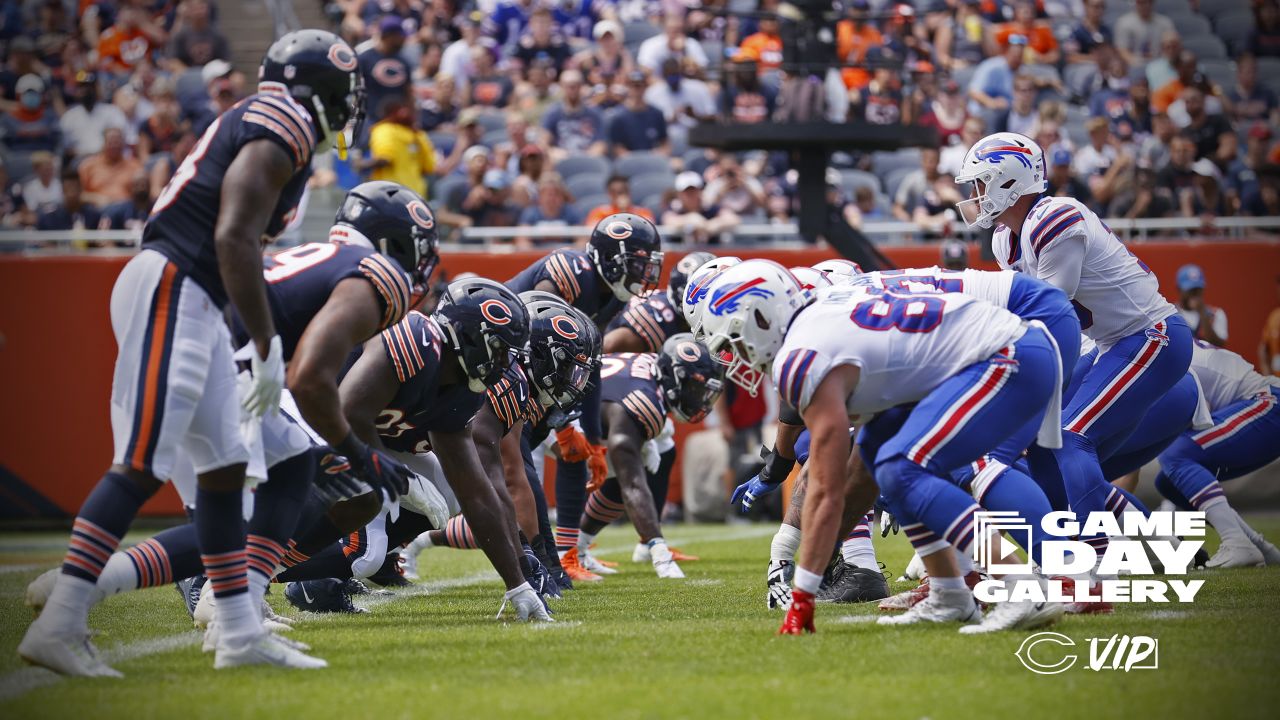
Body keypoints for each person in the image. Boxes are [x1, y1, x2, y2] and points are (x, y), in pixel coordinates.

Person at [18, 29, 361, 676]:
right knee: (142, 462)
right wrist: (264, 346)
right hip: (177, 284)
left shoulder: (271, 122)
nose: (349, 106)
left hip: (194, 295)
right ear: (319, 89)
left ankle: (236, 632)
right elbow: (233, 235)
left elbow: (237, 240)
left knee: (227, 468)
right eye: (344, 92)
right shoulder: (283, 120)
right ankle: (61, 620)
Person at [24, 180, 441, 644]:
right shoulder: (374, 276)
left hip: (193, 340)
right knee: (223, 521)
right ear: (393, 241)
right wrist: (358, 453)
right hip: (210, 354)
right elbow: (308, 379)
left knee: (280, 477)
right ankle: (89, 590)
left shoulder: (324, 258)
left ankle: (232, 606)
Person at [700, 260, 1065, 634]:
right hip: (1008, 349)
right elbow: (858, 473)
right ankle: (949, 593)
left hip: (1006, 355)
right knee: (883, 461)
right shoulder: (820, 314)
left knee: (903, 468)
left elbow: (826, 490)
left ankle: (1020, 586)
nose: (738, 358)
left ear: (760, 318)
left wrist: (803, 596)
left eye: (734, 342)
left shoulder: (802, 355)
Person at [955, 131, 1192, 566]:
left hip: (1150, 335)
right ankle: (1064, 554)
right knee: (1046, 443)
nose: (975, 195)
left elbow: (1047, 313)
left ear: (1009, 180)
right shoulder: (1006, 240)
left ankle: (1095, 562)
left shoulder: (1054, 217)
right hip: (1111, 344)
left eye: (982, 182)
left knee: (1071, 438)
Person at [335, 278, 550, 620]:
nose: (503, 363)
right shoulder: (414, 342)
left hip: (377, 442)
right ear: (467, 337)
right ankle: (265, 572)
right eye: (498, 349)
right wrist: (396, 479)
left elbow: (477, 494)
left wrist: (518, 583)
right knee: (365, 556)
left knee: (450, 490)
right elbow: (346, 413)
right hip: (320, 424)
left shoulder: (464, 389)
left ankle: (320, 574)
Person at [507, 214, 665, 579]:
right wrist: (563, 421)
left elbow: (591, 361)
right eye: (639, 264)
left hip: (534, 381)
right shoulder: (571, 272)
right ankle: (540, 564)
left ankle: (564, 556)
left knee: (575, 452)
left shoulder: (611, 296)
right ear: (612, 258)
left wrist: (593, 438)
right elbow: (534, 341)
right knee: (515, 472)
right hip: (505, 372)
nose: (645, 274)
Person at [574, 335, 724, 578]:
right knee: (625, 475)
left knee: (626, 471)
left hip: (585, 413)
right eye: (695, 389)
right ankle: (553, 557)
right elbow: (632, 484)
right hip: (552, 418)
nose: (698, 399)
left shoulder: (651, 367)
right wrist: (660, 552)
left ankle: (576, 549)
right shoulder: (643, 404)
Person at [1155, 341, 1280, 566]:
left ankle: (1236, 541)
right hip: (1259, 408)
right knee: (1168, 482)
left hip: (1269, 402)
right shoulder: (1162, 349)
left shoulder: (1164, 360)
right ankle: (1259, 547)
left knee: (1174, 455)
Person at [366, 98, 436, 198]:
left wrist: (362, 164)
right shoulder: (418, 135)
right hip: (416, 194)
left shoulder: (383, 130)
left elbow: (385, 159)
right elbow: (429, 166)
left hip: (390, 193)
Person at [58, 71, 128, 160]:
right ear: (76, 91)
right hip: (79, 160)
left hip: (107, 158)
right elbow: (66, 149)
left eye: (89, 87)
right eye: (81, 87)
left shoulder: (112, 111)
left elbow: (119, 140)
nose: (85, 91)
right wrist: (86, 155)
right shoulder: (69, 117)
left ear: (96, 89)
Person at [541, 69, 607, 158]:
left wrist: (590, 156)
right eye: (568, 86)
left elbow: (601, 142)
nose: (572, 89)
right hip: (561, 159)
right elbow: (543, 142)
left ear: (581, 86)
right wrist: (553, 152)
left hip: (588, 159)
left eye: (575, 86)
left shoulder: (594, 112)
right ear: (561, 86)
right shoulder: (553, 112)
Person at [359, 16, 412, 124]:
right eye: (400, 36)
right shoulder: (365, 59)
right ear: (389, 36)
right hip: (371, 122)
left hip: (397, 122)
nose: (404, 40)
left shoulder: (403, 61)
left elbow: (408, 93)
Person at [662, 171, 740, 243]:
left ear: (700, 191)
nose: (691, 195)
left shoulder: (710, 207)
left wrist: (714, 224)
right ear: (679, 194)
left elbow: (733, 219)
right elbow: (668, 220)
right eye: (686, 192)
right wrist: (691, 219)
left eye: (694, 190)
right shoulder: (674, 208)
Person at [608, 71, 669, 156]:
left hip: (652, 158)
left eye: (639, 85)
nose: (636, 89)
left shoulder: (656, 114)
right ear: (627, 87)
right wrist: (634, 160)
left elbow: (664, 142)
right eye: (632, 85)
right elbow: (616, 147)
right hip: (628, 161)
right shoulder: (618, 116)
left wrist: (661, 154)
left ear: (645, 87)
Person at [77, 127, 144, 206]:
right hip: (98, 209)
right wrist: (96, 198)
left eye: (117, 141)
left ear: (123, 144)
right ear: (104, 144)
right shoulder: (88, 166)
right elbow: (78, 194)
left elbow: (142, 192)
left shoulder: (135, 166)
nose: (114, 145)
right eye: (111, 142)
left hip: (126, 208)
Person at [515, 174, 582, 247]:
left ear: (563, 196)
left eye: (556, 194)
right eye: (548, 194)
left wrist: (569, 252)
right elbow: (522, 241)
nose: (552, 198)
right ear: (540, 196)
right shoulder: (530, 213)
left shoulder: (571, 212)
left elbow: (582, 240)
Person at [1, 74, 61, 154]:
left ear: (42, 96)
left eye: (35, 93)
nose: (31, 96)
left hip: (47, 160)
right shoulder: (7, 120)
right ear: (18, 96)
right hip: (16, 161)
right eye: (27, 93)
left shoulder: (51, 117)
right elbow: (3, 146)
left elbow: (59, 142)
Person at [637, 12, 709, 73]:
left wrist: (684, 53)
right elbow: (645, 71)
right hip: (658, 84)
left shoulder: (691, 44)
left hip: (686, 85)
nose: (676, 34)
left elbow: (701, 70)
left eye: (679, 30)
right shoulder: (651, 44)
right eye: (672, 30)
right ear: (665, 29)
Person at [1175, 264, 1228, 347]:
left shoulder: (1216, 314)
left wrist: (1202, 313)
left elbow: (1219, 345)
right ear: (1179, 289)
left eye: (1198, 289)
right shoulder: (1171, 313)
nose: (1194, 294)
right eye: (1190, 290)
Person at [167, 0, 230, 69]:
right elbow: (173, 60)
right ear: (189, 11)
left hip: (213, 74)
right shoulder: (180, 35)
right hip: (187, 73)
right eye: (196, 9)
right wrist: (188, 73)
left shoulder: (218, 36)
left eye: (202, 8)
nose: (199, 12)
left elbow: (225, 60)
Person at [35, 168, 100, 231]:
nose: (72, 192)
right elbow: (41, 240)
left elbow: (98, 239)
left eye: (75, 188)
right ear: (62, 190)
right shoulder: (49, 217)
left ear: (81, 189)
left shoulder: (92, 215)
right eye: (68, 188)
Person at [1114, 0, 1175, 66]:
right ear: (1135, 3)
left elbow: (1173, 45)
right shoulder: (1124, 23)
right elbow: (1122, 50)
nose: (1146, 5)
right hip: (1134, 66)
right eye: (1141, 2)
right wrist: (1137, 63)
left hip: (1160, 64)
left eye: (1149, 2)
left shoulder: (1165, 23)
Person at [586, 175, 656, 227]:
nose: (618, 195)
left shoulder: (643, 212)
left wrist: (624, 211)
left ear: (629, 192)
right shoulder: (599, 212)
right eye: (614, 192)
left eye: (622, 191)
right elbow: (593, 231)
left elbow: (648, 230)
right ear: (609, 194)